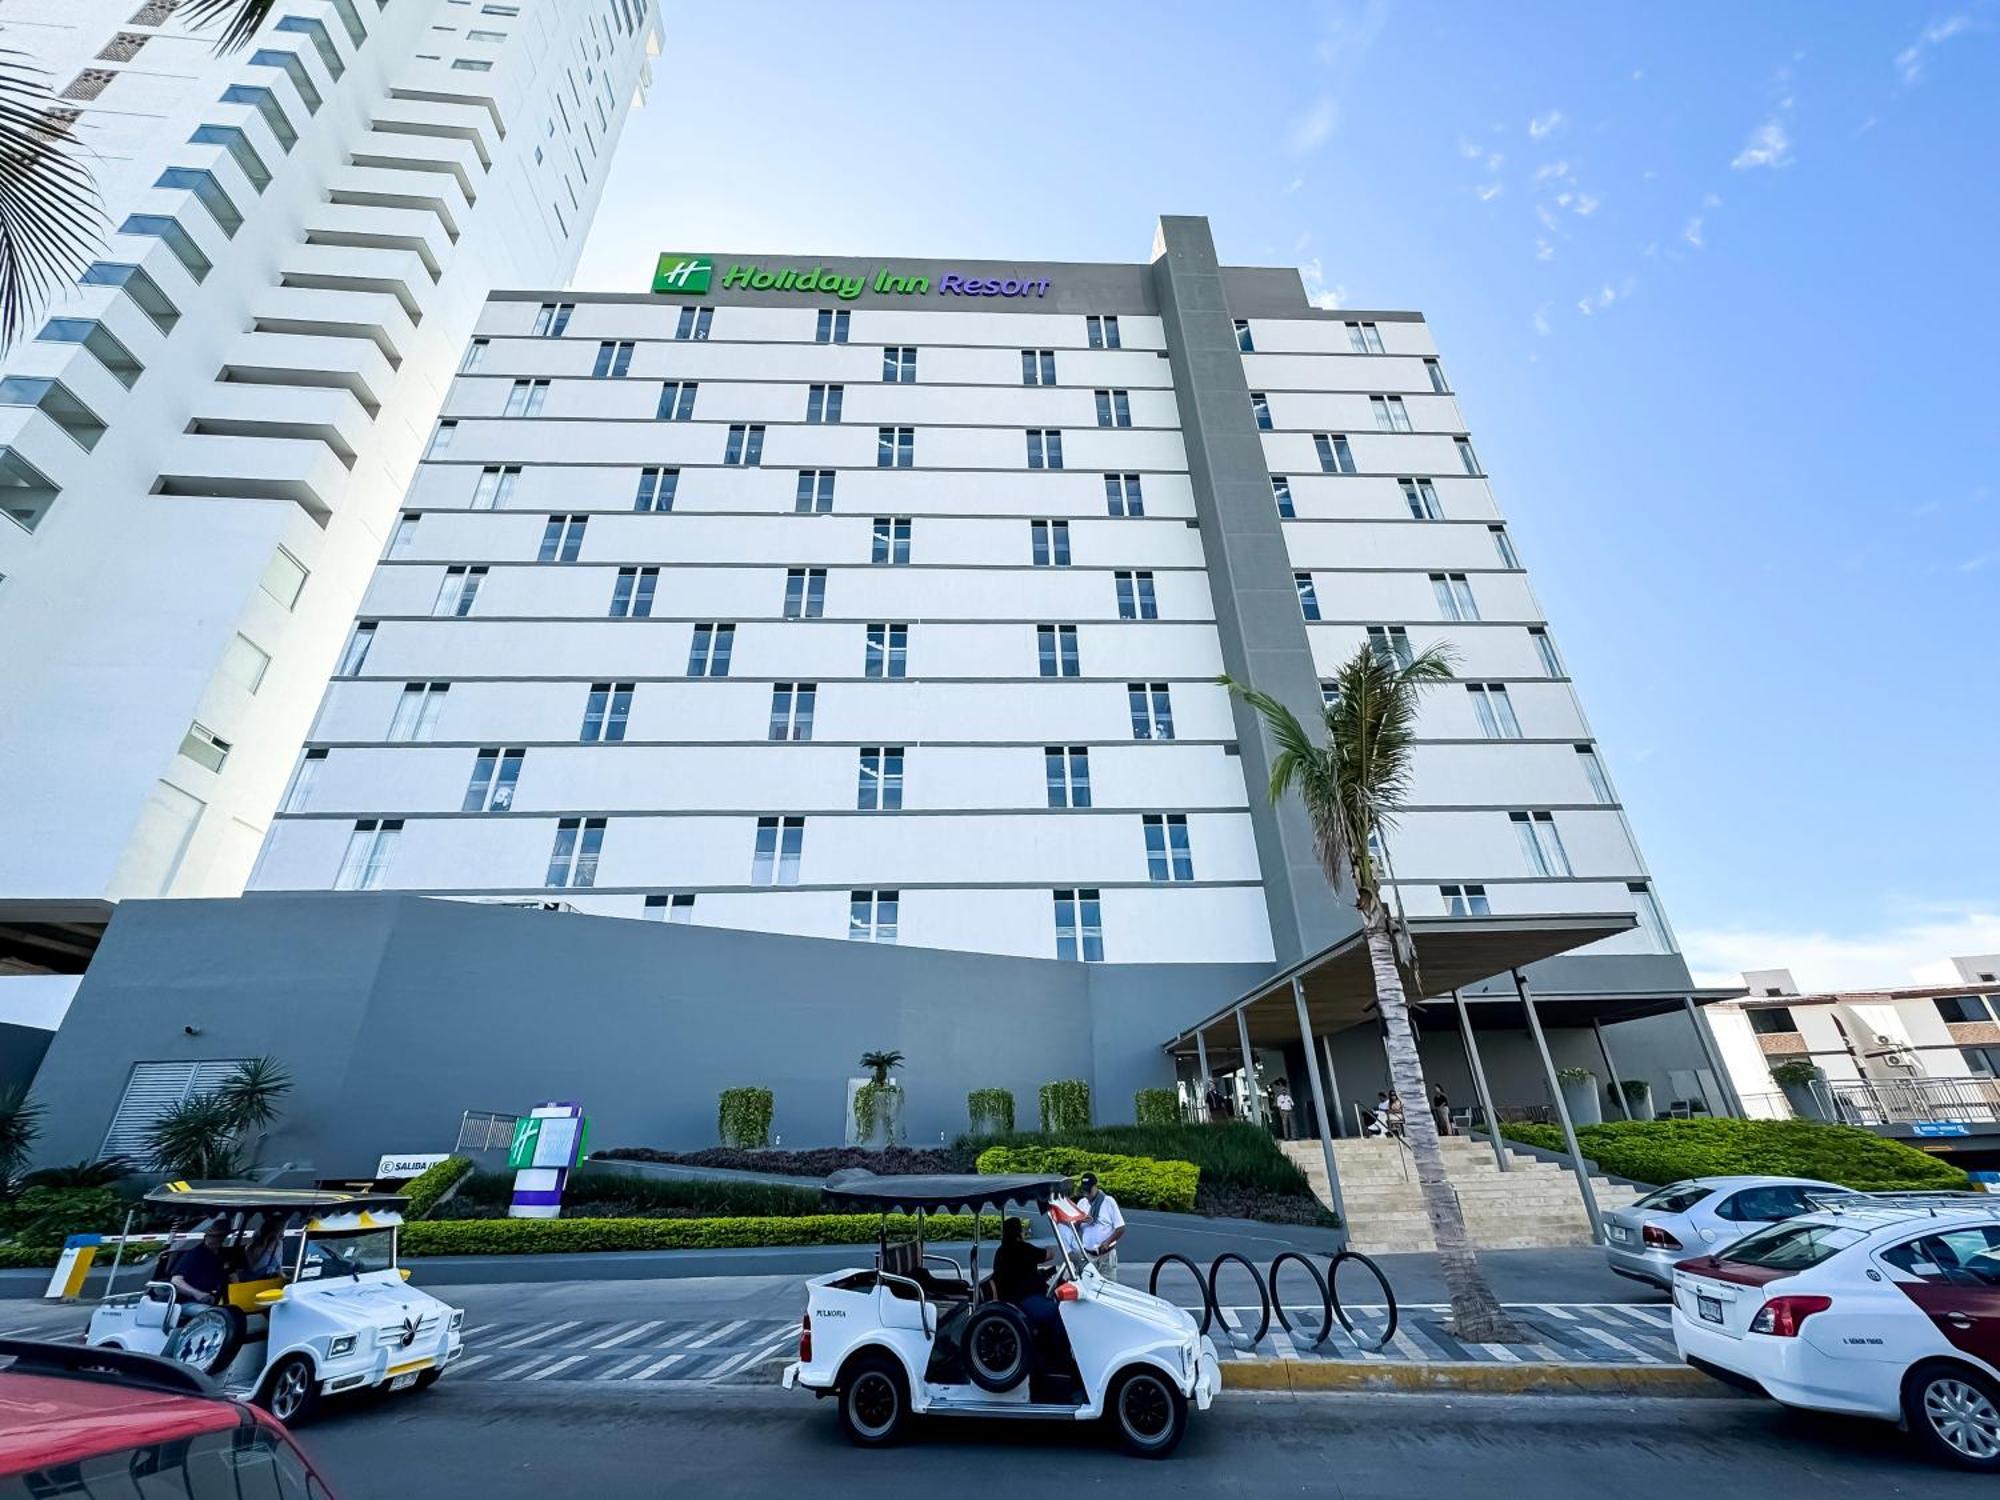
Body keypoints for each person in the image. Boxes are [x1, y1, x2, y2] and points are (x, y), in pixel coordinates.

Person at [991, 1216, 1061, 1345]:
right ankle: (1057, 1351)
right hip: (1024, 1299)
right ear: (1019, 1232)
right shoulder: (1023, 1248)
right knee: (1059, 1312)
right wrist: (1050, 1248)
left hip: (1011, 1296)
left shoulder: (1000, 1252)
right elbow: (1048, 1255)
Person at [1073, 1173, 1126, 1283]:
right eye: (1084, 1191)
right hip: (1088, 1256)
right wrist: (1080, 1220)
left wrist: (1107, 1242)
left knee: (1108, 1288)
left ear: (1095, 1186)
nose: (1086, 1194)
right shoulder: (1082, 1204)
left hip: (1105, 1256)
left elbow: (1121, 1228)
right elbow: (1073, 1229)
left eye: (1089, 1190)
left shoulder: (1108, 1202)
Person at [168, 1221, 230, 1305]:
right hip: (189, 1301)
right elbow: (176, 1280)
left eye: (221, 1236)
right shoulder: (193, 1255)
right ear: (206, 1237)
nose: (218, 1239)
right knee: (212, 1313)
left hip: (217, 1298)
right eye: (214, 1236)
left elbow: (231, 1274)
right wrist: (197, 1294)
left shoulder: (221, 1255)